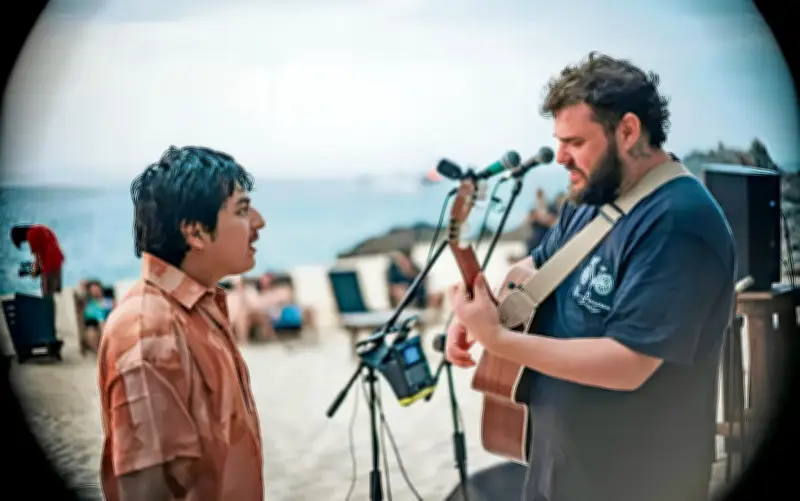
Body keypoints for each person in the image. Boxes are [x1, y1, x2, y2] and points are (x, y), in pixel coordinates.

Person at [446, 52, 736, 501]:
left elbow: (628, 364)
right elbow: (538, 267)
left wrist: (500, 341)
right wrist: (478, 310)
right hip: (558, 469)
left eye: (575, 142)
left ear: (628, 131)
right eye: (558, 141)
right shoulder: (592, 195)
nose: (560, 157)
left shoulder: (679, 223)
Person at [96, 146, 267, 501]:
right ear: (195, 233)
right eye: (242, 210)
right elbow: (146, 489)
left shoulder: (199, 308)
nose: (258, 222)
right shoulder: (149, 329)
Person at [10, 223, 65, 296]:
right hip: (58, 259)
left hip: (49, 263)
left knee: (47, 295)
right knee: (56, 294)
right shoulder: (40, 228)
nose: (25, 241)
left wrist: (32, 273)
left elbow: (37, 260)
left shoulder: (31, 234)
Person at [524, 188, 559, 254]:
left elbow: (554, 220)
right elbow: (528, 221)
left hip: (546, 237)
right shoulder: (534, 207)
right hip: (535, 240)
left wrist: (541, 218)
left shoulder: (550, 205)